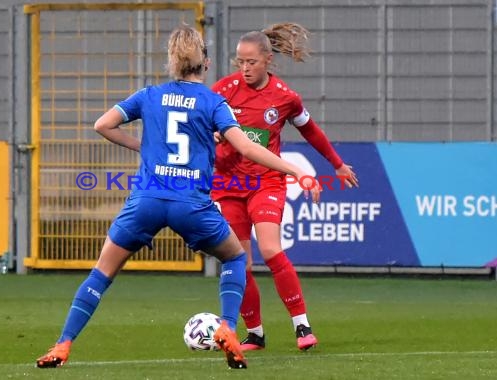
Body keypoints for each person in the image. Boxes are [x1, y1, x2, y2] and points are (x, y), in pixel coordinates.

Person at [35, 25, 321, 370]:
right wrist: (293, 170)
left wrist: (144, 146)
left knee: (101, 273)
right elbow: (246, 147)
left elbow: (102, 124)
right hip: (191, 205)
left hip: (146, 202)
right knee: (233, 259)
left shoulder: (149, 95)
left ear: (172, 61)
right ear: (206, 62)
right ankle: (229, 328)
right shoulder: (215, 102)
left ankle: (63, 344)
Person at [211, 23, 359, 351]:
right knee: (239, 260)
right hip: (227, 184)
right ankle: (256, 334)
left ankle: (302, 326)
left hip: (266, 182)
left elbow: (312, 131)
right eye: (240, 62)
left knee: (270, 249)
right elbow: (202, 127)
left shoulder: (285, 98)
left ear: (267, 60)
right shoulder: (223, 90)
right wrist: (212, 134)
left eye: (251, 62)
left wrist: (336, 163)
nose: (245, 68)